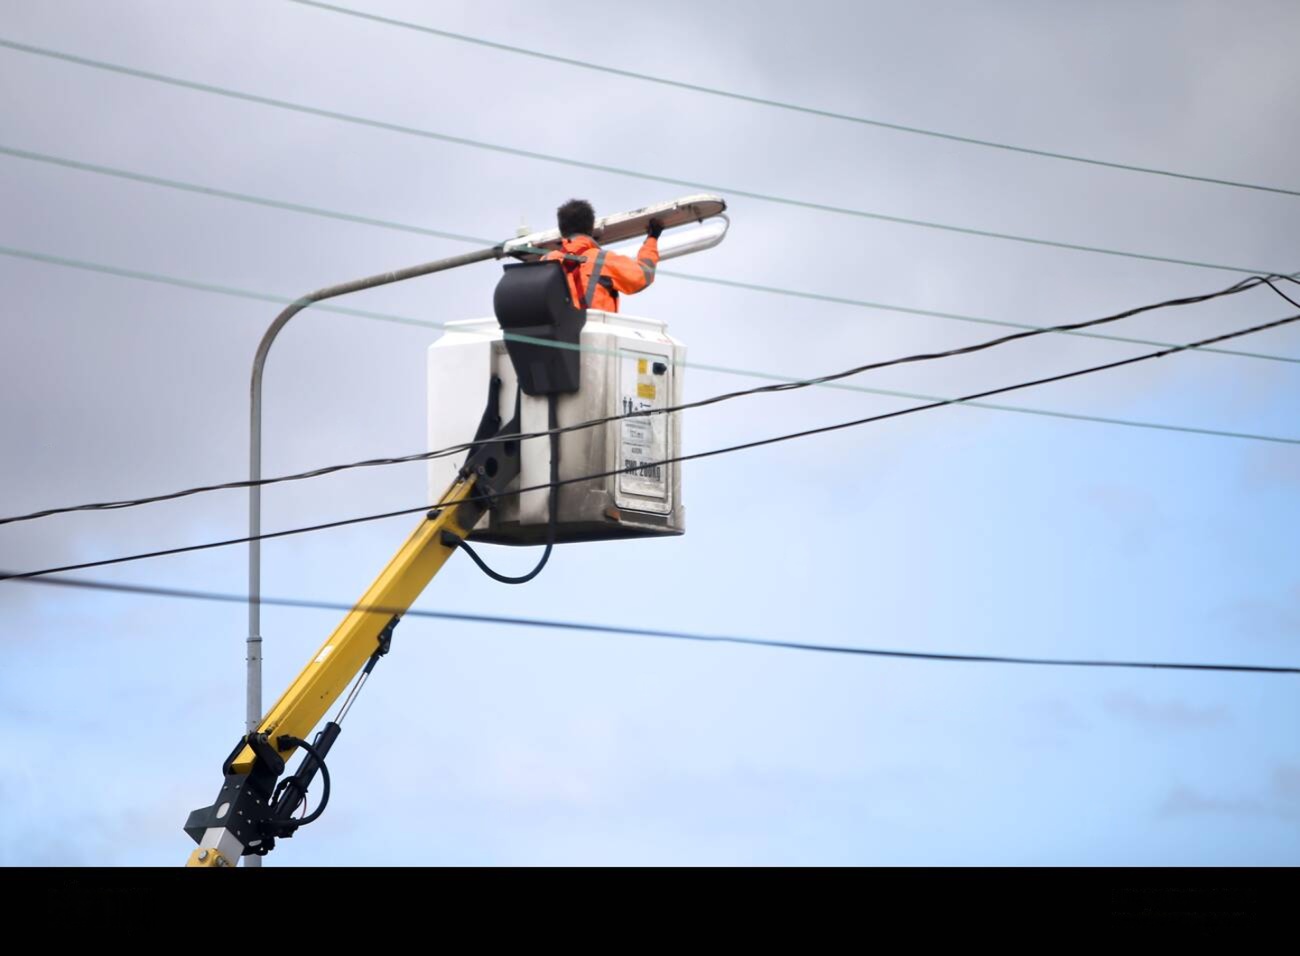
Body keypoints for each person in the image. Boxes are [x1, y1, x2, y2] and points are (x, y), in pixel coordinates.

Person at [542, 199, 662, 313]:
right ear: (591, 228)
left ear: (561, 230)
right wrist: (652, 238)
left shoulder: (547, 260)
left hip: (555, 328)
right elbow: (643, 275)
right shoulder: (602, 259)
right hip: (594, 327)